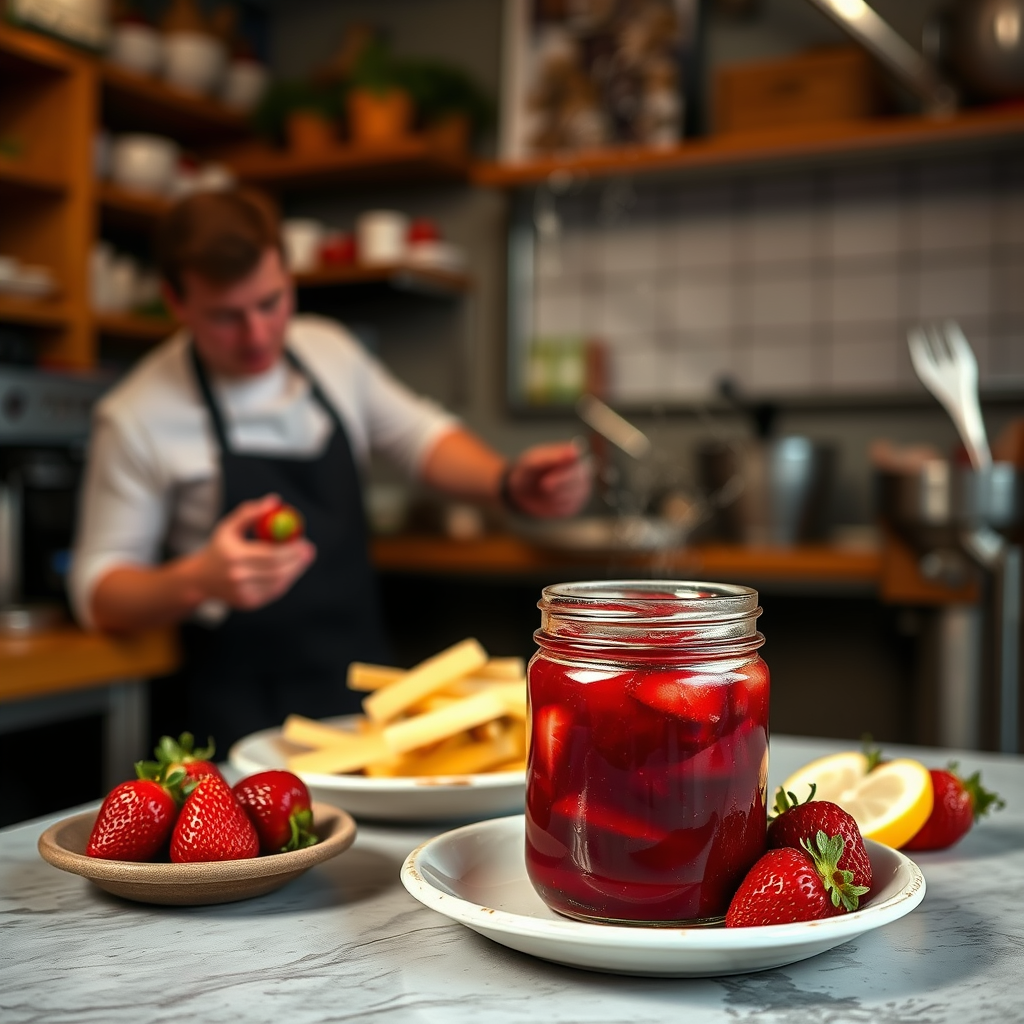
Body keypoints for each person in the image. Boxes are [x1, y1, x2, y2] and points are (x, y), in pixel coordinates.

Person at [70, 189, 590, 750]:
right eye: (226, 317)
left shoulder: (329, 352)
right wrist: (198, 578)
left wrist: (507, 482)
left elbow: (421, 437)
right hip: (234, 710)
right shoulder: (134, 415)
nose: (258, 334)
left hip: (358, 696)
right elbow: (98, 588)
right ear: (176, 300)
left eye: (271, 302)